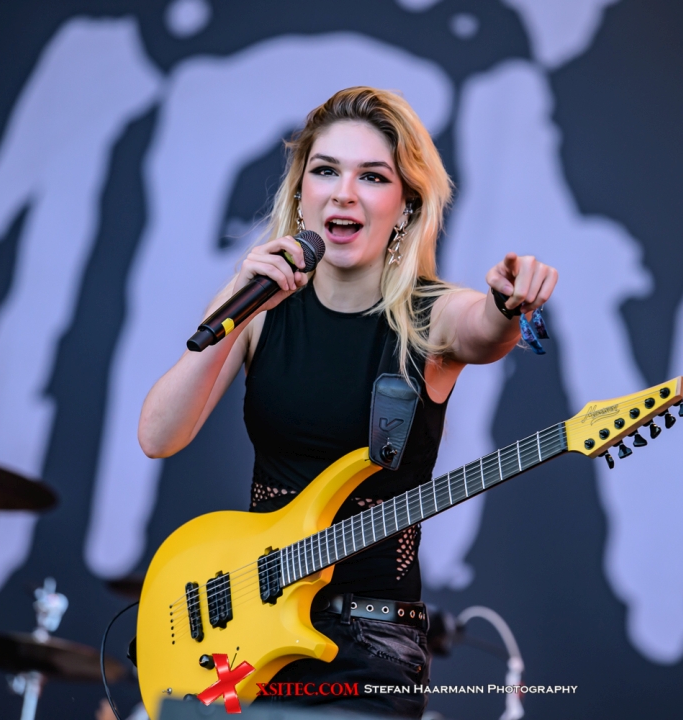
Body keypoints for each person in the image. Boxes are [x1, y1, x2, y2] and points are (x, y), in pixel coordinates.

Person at [137, 86, 557, 718]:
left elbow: (483, 331)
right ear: (300, 191)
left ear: (407, 204)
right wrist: (236, 301)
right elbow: (158, 436)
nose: (344, 193)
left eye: (373, 177)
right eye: (326, 170)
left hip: (372, 644)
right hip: (248, 632)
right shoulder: (258, 306)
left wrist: (506, 304)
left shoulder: (432, 315)